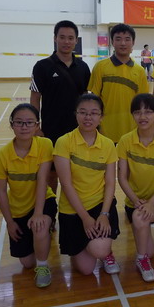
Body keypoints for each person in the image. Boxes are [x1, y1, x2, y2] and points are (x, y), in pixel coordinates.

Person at [53, 94, 121, 276]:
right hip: (73, 209)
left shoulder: (108, 144)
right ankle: (84, 246)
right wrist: (85, 218)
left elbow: (110, 183)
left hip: (99, 205)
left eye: (94, 113)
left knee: (100, 249)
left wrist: (104, 214)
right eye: (83, 112)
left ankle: (106, 252)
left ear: (101, 117)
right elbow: (66, 184)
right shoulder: (63, 142)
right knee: (86, 270)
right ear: (75, 114)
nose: (88, 117)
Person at [0, 104, 57, 288]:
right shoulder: (1, 156)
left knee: (40, 226)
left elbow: (43, 179)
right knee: (27, 263)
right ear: (12, 125)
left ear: (37, 125)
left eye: (29, 122)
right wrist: (9, 222)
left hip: (43, 201)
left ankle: (43, 267)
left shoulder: (45, 144)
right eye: (19, 122)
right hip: (18, 209)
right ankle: (39, 241)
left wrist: (38, 213)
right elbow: (1, 192)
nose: (24, 127)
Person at [116, 93, 154, 282]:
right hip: (135, 201)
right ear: (132, 115)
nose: (143, 117)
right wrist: (135, 200)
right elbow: (122, 177)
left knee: (140, 218)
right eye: (137, 112)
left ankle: (141, 259)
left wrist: (151, 203)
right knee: (142, 222)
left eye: (148, 112)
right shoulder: (125, 140)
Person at [30, 20, 91, 190]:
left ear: (76, 40)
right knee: (51, 173)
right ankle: (50, 205)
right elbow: (35, 97)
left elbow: (85, 98)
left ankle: (70, 206)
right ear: (55, 38)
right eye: (62, 37)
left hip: (76, 130)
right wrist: (36, 127)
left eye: (70, 38)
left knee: (75, 171)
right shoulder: (42, 66)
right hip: (51, 130)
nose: (66, 41)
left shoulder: (83, 67)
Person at [87, 23, 149, 144]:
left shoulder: (140, 71)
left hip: (131, 132)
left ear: (133, 42)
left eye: (127, 39)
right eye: (118, 39)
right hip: (104, 132)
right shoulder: (100, 67)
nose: (123, 43)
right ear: (112, 42)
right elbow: (93, 100)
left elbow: (142, 104)